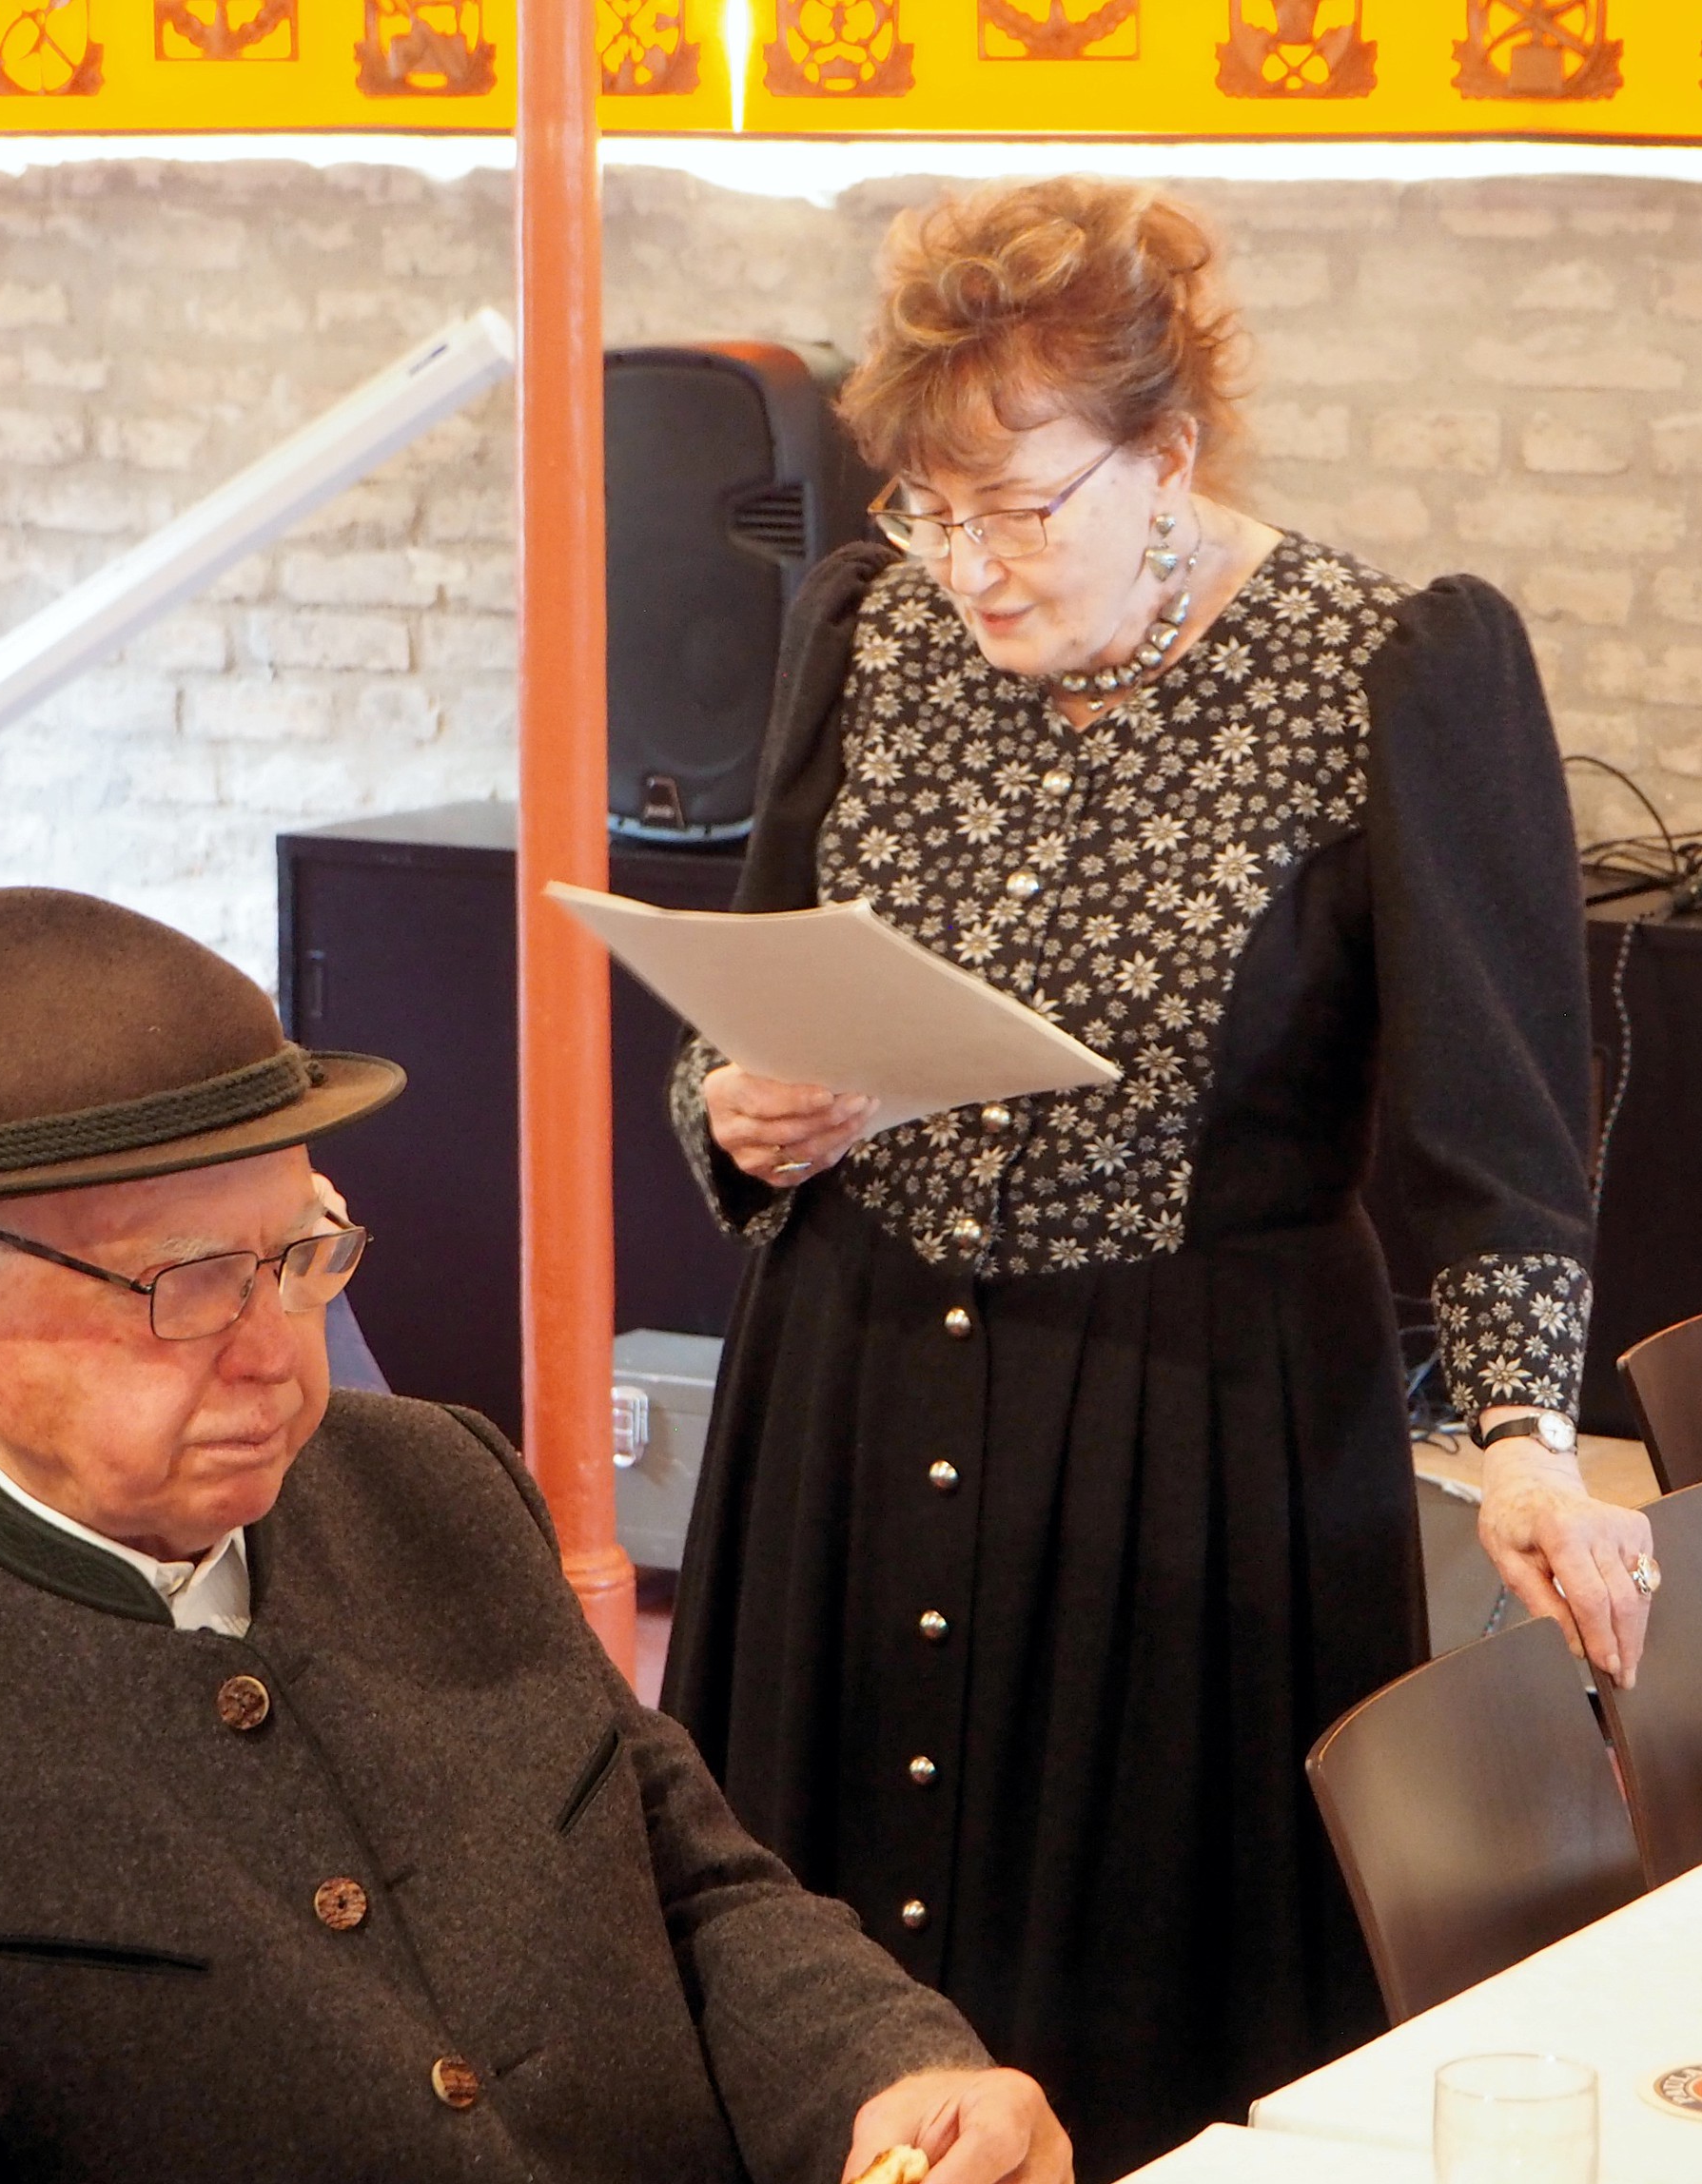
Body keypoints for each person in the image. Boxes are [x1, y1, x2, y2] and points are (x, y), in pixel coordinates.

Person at [660, 177, 1657, 2181]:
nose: (968, 566)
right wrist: (735, 1107)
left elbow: (1494, 1132)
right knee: (814, 1992)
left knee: (1135, 2023)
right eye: (928, 511)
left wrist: (1527, 1446)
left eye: (1021, 509)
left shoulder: (1383, 666)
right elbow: (744, 988)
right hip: (850, 1384)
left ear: (1169, 454)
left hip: (1189, 1433)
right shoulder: (868, 624)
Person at [0, 885, 1071, 2184]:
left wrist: (891, 2073)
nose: (274, 1355)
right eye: (184, 1285)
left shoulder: (434, 1484)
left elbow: (691, 1890)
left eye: (301, 1255)